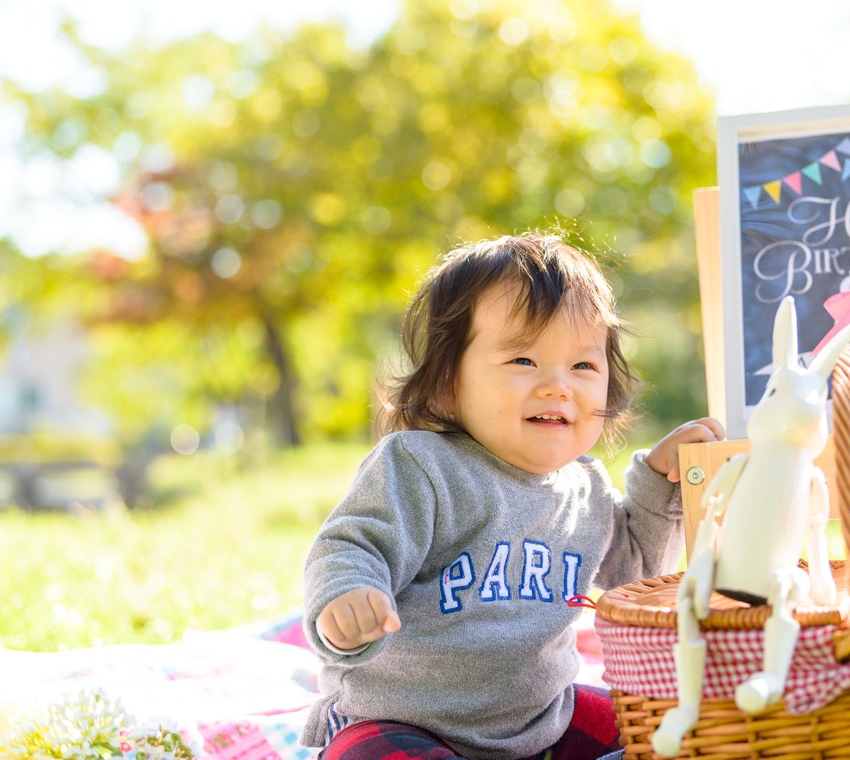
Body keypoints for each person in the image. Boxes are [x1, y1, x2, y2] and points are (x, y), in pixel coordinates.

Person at [301, 232, 724, 760]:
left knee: (659, 728)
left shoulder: (584, 487)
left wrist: (661, 481)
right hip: (401, 716)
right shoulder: (422, 466)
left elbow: (633, 576)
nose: (557, 386)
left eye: (583, 366)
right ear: (447, 382)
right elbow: (351, 545)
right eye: (523, 360)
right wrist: (346, 599)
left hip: (540, 718)